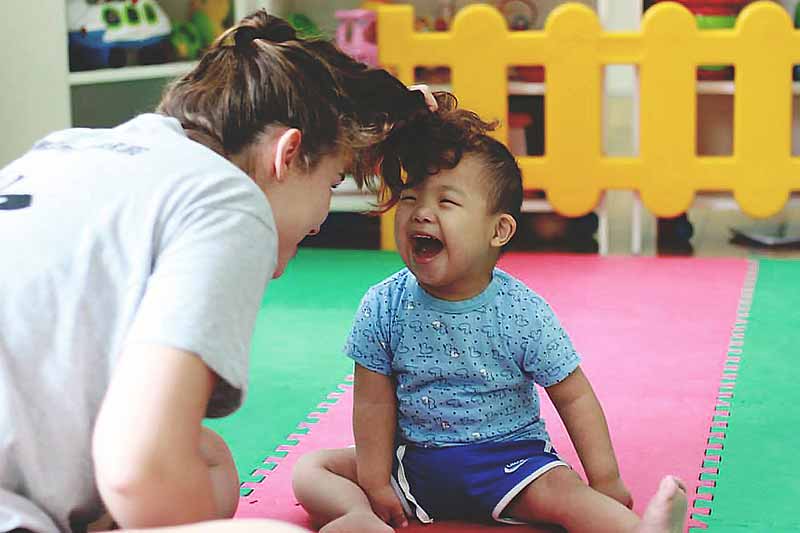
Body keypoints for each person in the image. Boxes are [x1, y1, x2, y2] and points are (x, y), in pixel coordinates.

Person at [0, 10, 435, 533]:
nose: (323, 213)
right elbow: (139, 475)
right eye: (333, 180)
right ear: (288, 154)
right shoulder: (229, 200)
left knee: (207, 457)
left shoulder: (70, 150)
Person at [292, 94, 688, 533]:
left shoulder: (522, 311)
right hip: (412, 464)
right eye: (410, 197)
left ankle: (642, 531)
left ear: (497, 230)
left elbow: (573, 395)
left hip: (511, 463)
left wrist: (606, 479)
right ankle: (361, 519)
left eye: (446, 202)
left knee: (570, 498)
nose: (421, 212)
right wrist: (374, 483)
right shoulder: (382, 305)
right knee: (311, 470)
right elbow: (371, 400)